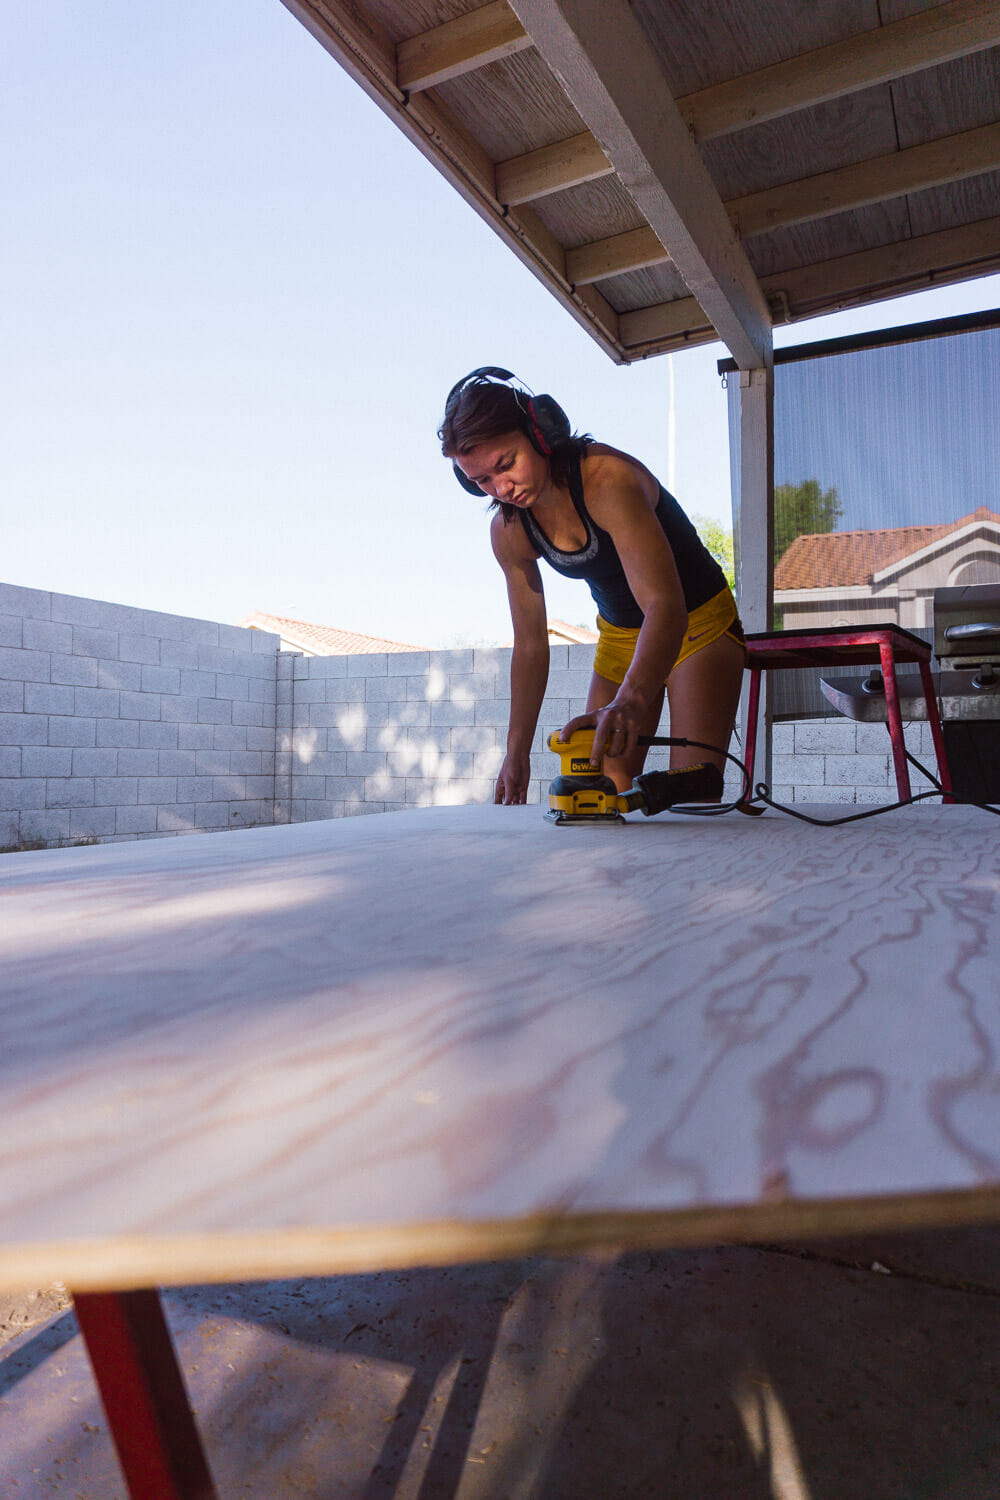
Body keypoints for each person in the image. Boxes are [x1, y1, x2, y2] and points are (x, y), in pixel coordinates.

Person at [439, 367, 746, 805]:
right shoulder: (510, 532)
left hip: (697, 624)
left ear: (540, 432)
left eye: (506, 464)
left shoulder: (606, 479)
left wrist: (632, 700)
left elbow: (665, 605)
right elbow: (529, 645)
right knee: (601, 794)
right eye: (481, 480)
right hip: (621, 637)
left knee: (691, 793)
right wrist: (516, 751)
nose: (500, 487)